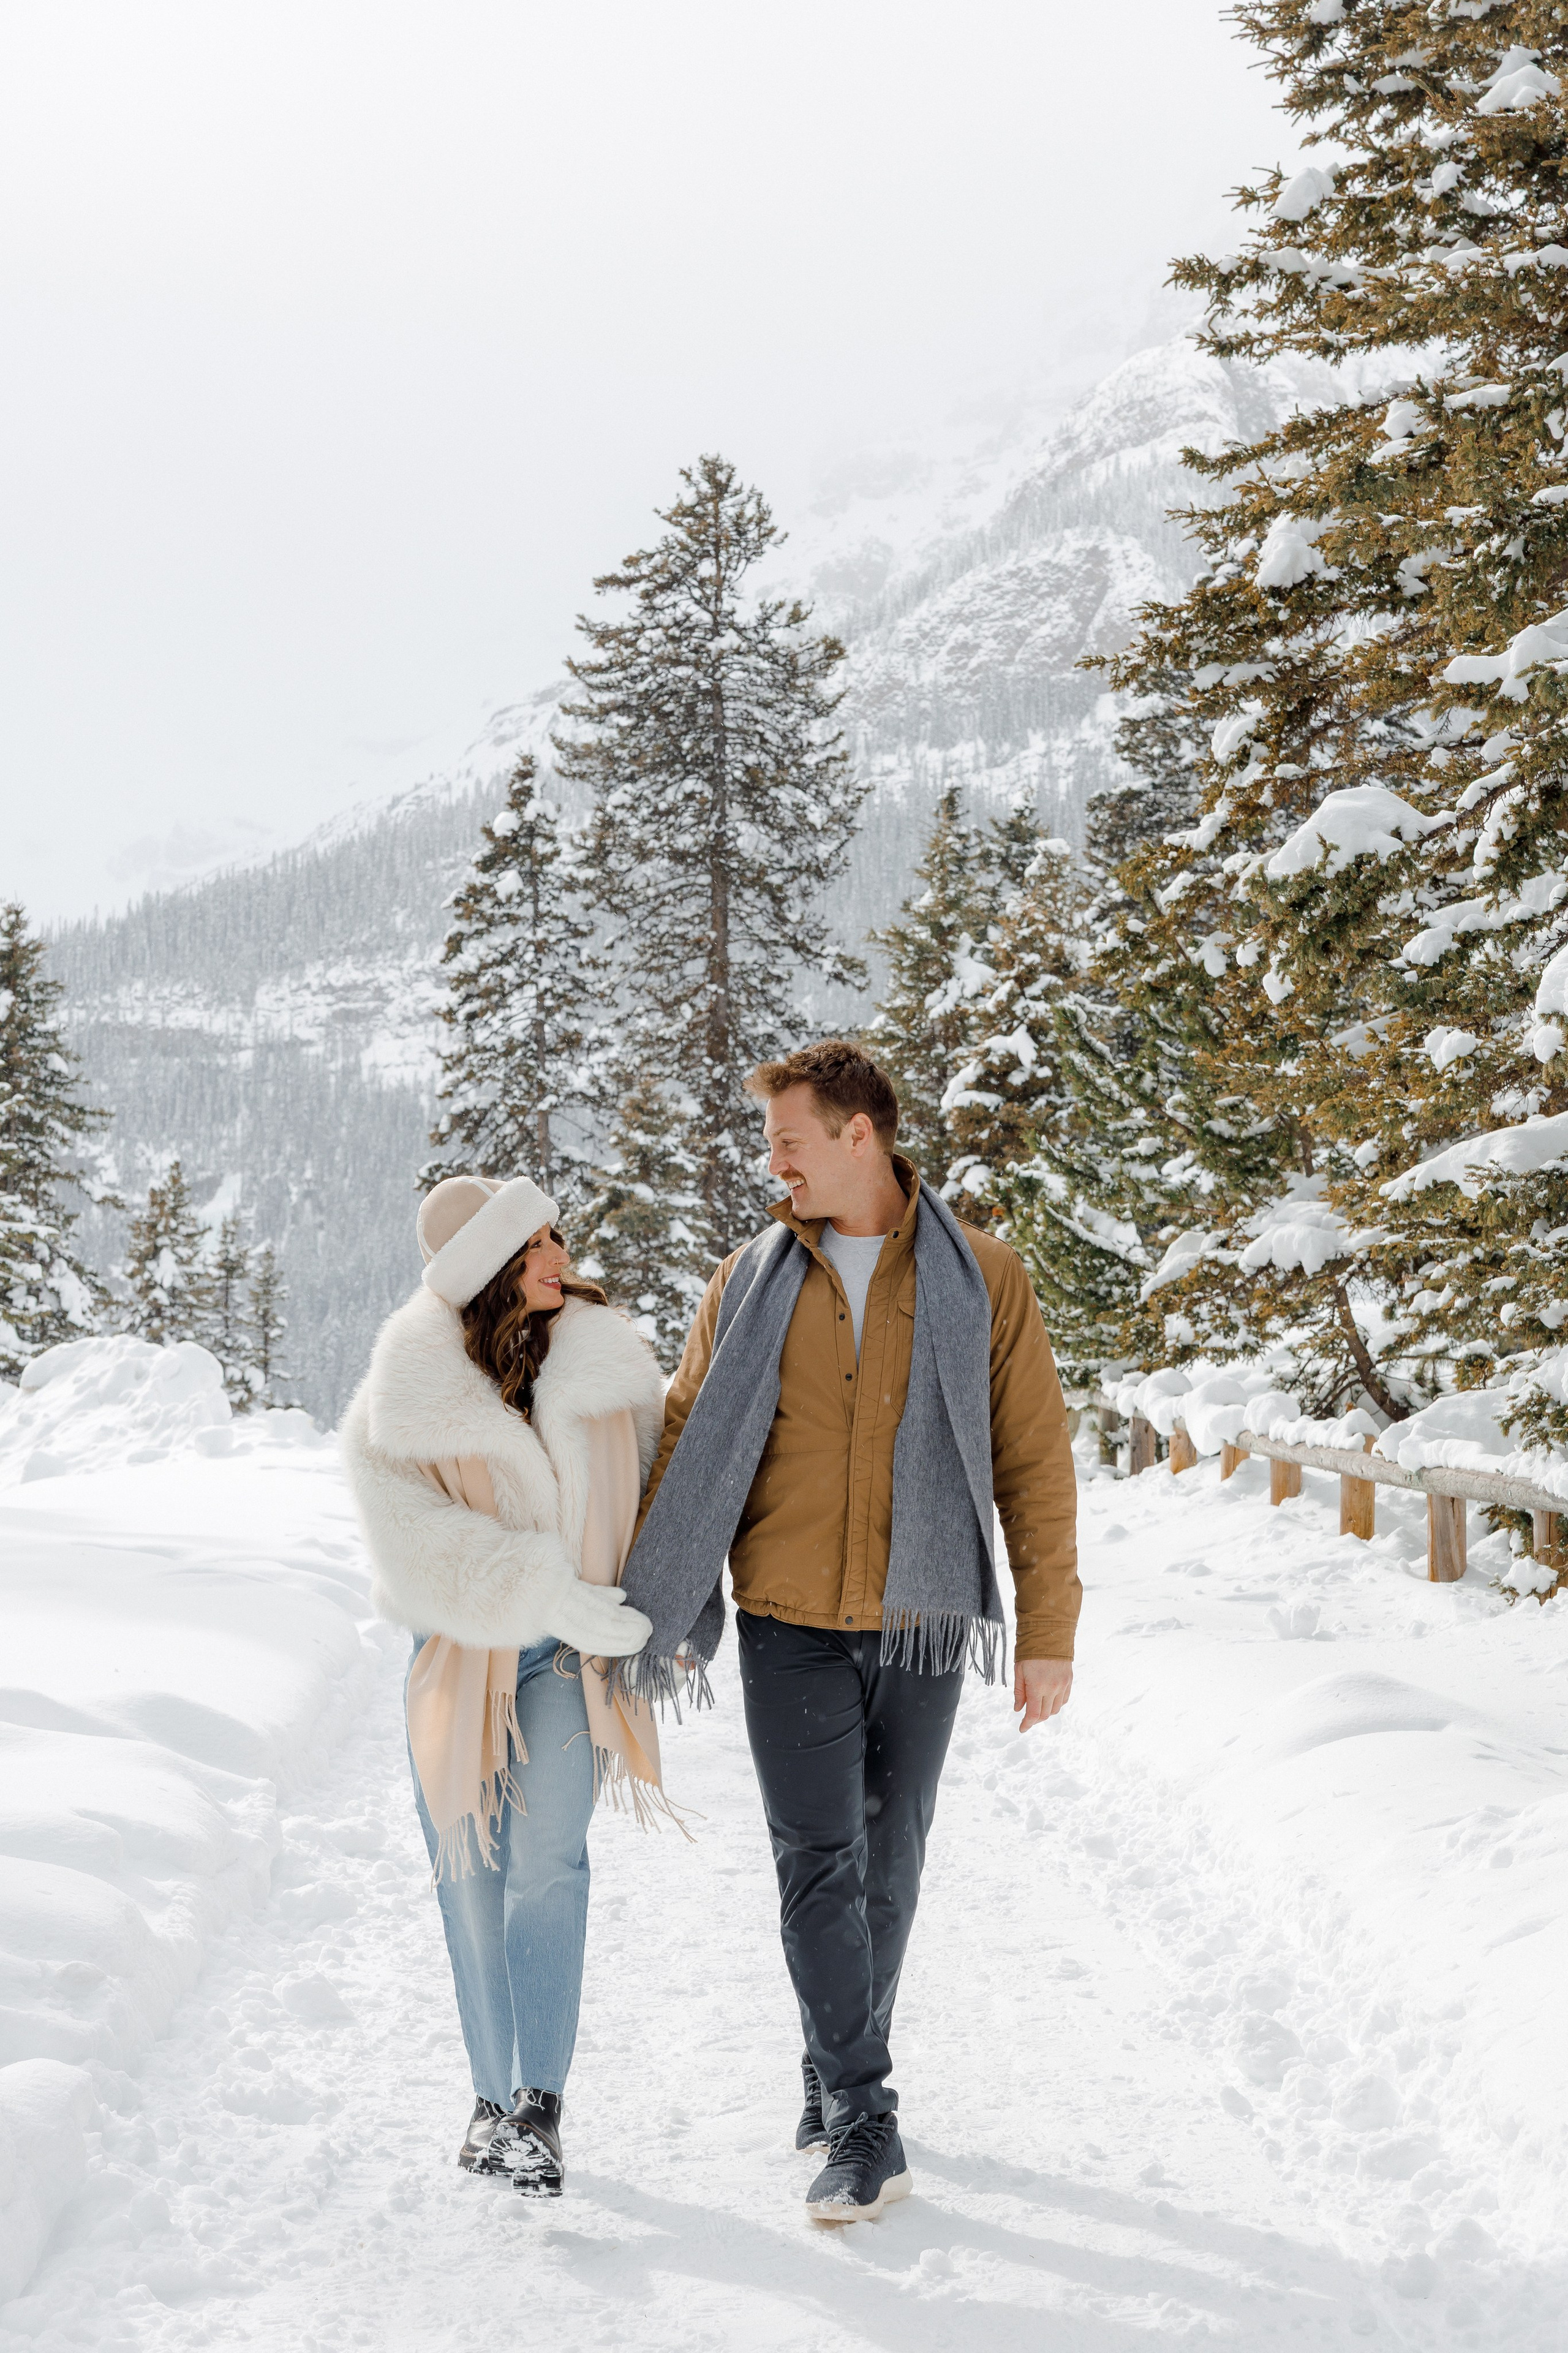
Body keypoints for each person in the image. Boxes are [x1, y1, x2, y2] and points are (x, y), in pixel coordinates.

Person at [619, 1040, 1080, 2224]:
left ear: (857, 1135)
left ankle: (832, 2056)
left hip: (926, 1616)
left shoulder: (986, 1276)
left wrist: (1047, 1628)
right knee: (816, 1858)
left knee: (891, 1858)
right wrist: (664, 1596)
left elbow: (1032, 1462)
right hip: (787, 1617)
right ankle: (865, 2116)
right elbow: (689, 1427)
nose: (772, 1165)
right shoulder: (751, 1276)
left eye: (788, 1140)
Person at [341, 1173, 664, 2197]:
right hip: (463, 1658)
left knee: (546, 1860)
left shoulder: (609, 1367)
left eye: (556, 1238)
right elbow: (411, 1548)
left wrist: (665, 1609)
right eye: (537, 1246)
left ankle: (539, 2105)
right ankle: (490, 2097)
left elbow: (659, 1494)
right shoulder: (403, 1400)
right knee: (469, 1873)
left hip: (570, 1660)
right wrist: (537, 1588)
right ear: (489, 1271)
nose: (560, 1255)